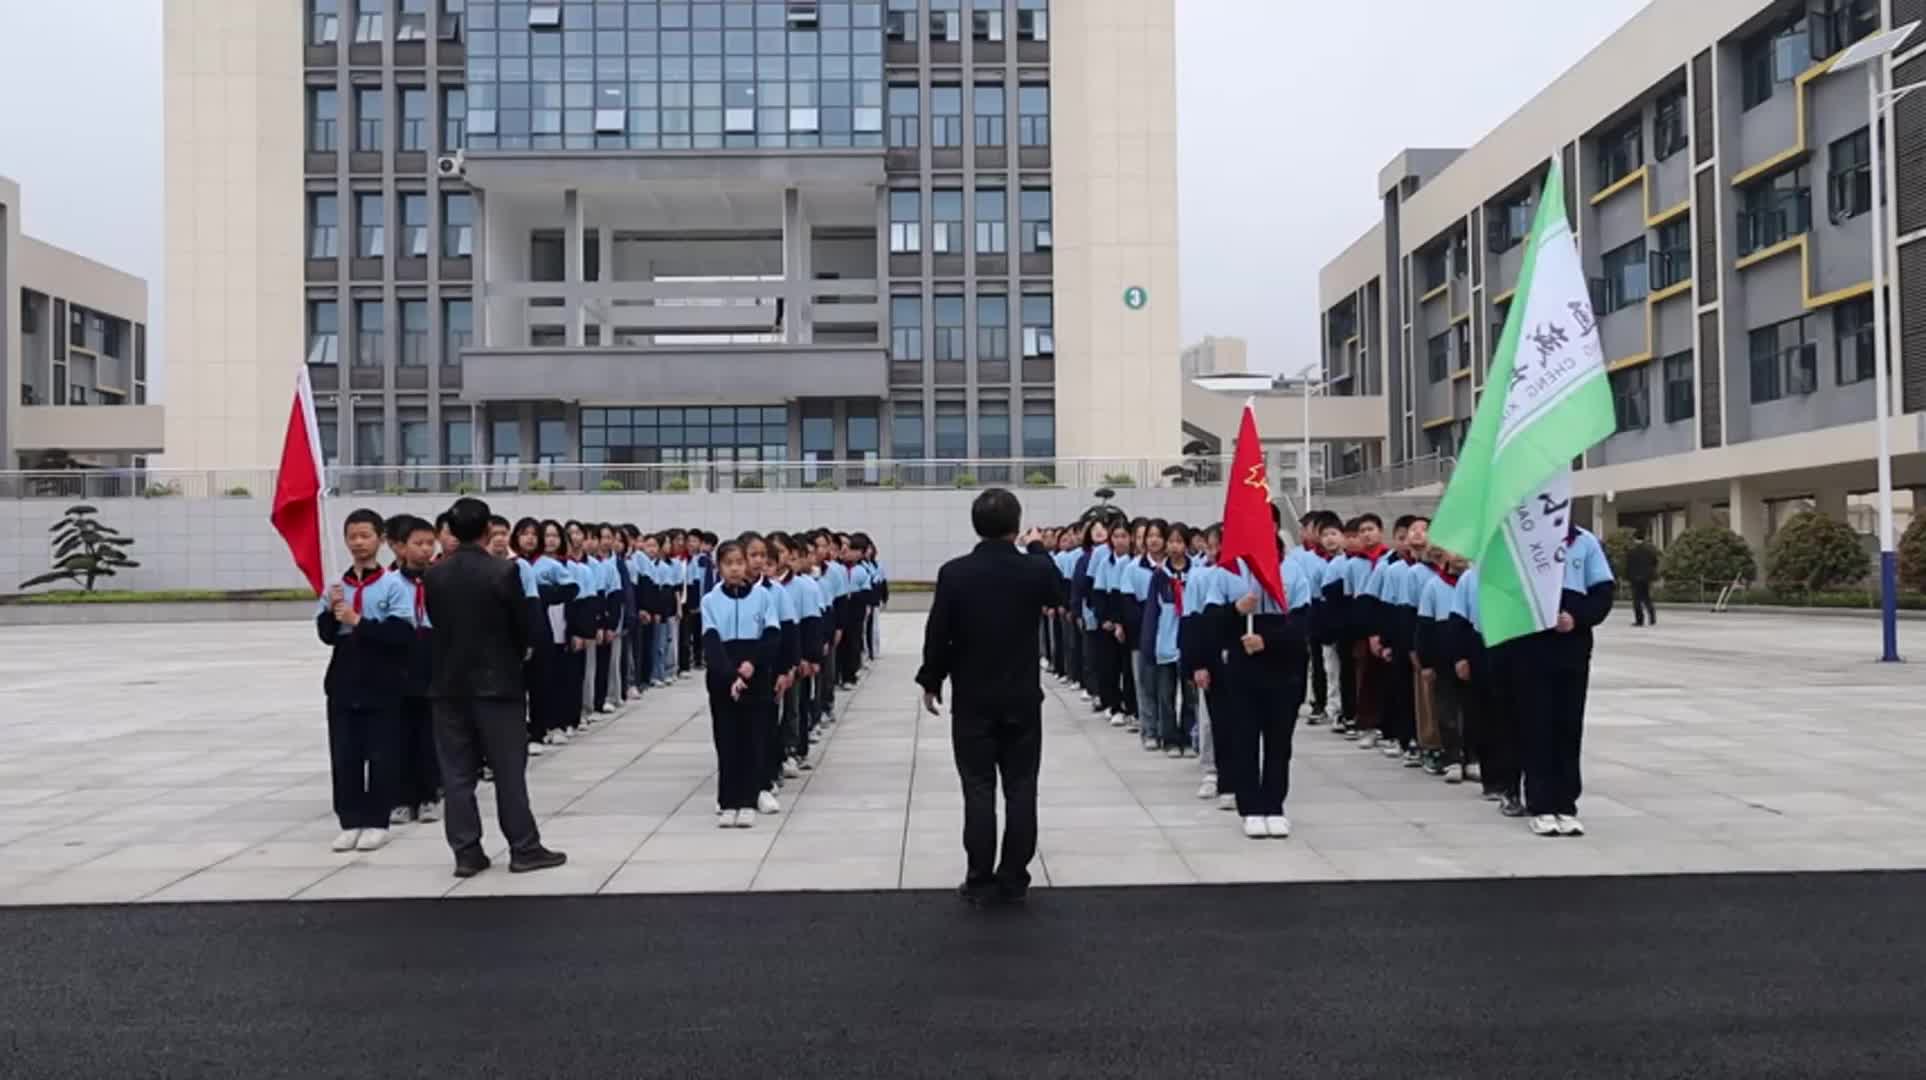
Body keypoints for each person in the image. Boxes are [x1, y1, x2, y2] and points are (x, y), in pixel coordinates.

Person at [917, 489, 1063, 907]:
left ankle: (979, 877)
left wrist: (932, 678)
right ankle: (1014, 876)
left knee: (978, 787)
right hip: (1021, 696)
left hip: (973, 698)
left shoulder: (955, 573)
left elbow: (938, 632)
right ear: (1016, 525)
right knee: (1022, 787)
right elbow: (1059, 593)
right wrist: (1037, 548)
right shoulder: (1032, 569)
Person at [423, 497, 566, 878]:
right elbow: (523, 626)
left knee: (457, 774)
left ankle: (466, 851)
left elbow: (437, 623)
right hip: (497, 683)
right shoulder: (504, 572)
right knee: (508, 771)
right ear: (488, 530)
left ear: (451, 531)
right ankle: (524, 846)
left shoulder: (434, 575)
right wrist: (518, 655)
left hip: (448, 684)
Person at [1510, 523, 1615, 837]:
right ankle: (1540, 804)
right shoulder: (1522, 539)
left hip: (1572, 649)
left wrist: (1576, 617)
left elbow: (1603, 593)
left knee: (1568, 726)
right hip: (1531, 647)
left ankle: (1566, 804)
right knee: (1537, 724)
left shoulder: (1584, 542)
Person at [317, 509, 412, 854]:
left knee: (382, 753)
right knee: (345, 754)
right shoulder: (336, 587)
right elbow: (326, 635)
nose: (358, 543)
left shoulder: (393, 585)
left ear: (380, 539)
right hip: (344, 679)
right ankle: (350, 820)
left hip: (382, 679)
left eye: (365, 536)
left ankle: (377, 820)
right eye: (352, 536)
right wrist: (333, 613)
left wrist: (359, 620)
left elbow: (401, 634)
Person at [701, 539, 783, 828]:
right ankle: (727, 802)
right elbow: (711, 643)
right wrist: (730, 675)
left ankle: (748, 801)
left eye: (739, 563)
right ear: (719, 567)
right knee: (726, 740)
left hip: (755, 677)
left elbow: (772, 636)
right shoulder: (710, 600)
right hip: (722, 678)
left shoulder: (762, 597)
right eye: (728, 564)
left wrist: (752, 664)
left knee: (752, 739)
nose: (735, 569)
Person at [391, 515, 443, 824]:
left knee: (430, 729)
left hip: (433, 653)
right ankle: (401, 797)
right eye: (418, 543)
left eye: (429, 543)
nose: (425, 549)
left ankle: (429, 795)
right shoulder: (390, 582)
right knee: (400, 730)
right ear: (400, 547)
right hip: (401, 656)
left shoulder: (441, 580)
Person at [1626, 532, 1659, 627]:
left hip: (1635, 579)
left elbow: (1628, 566)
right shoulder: (1650, 551)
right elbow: (1655, 562)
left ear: (1634, 539)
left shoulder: (1631, 552)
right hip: (1646, 578)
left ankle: (1639, 620)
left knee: (1636, 600)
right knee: (1647, 598)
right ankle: (1652, 618)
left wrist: (1628, 577)